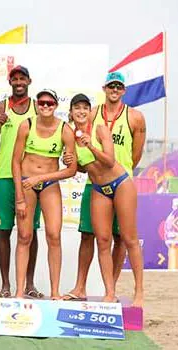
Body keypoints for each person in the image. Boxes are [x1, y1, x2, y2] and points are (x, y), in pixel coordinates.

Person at [63, 72, 146, 301]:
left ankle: (139, 292)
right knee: (101, 240)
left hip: (120, 181)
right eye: (111, 86)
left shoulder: (100, 128)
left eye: (119, 86)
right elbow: (82, 167)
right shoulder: (72, 133)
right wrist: (68, 163)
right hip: (97, 186)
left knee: (128, 239)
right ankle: (108, 293)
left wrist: (91, 146)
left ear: (124, 90)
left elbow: (111, 160)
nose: (115, 89)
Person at [12, 89, 77, 299]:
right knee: (24, 236)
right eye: (42, 103)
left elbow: (71, 169)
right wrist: (19, 197)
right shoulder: (27, 125)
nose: (46, 106)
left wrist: (40, 178)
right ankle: (19, 291)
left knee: (54, 235)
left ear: (56, 105)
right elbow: (15, 161)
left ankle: (55, 291)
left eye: (50, 103)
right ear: (37, 104)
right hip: (26, 184)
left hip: (47, 183)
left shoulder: (65, 130)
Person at [0, 66, 43, 298]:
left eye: (22, 78)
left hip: (29, 177)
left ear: (29, 80)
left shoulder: (39, 109)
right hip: (5, 176)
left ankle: (29, 284)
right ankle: (6, 286)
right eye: (15, 78)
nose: (19, 82)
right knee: (4, 230)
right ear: (10, 81)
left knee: (31, 232)